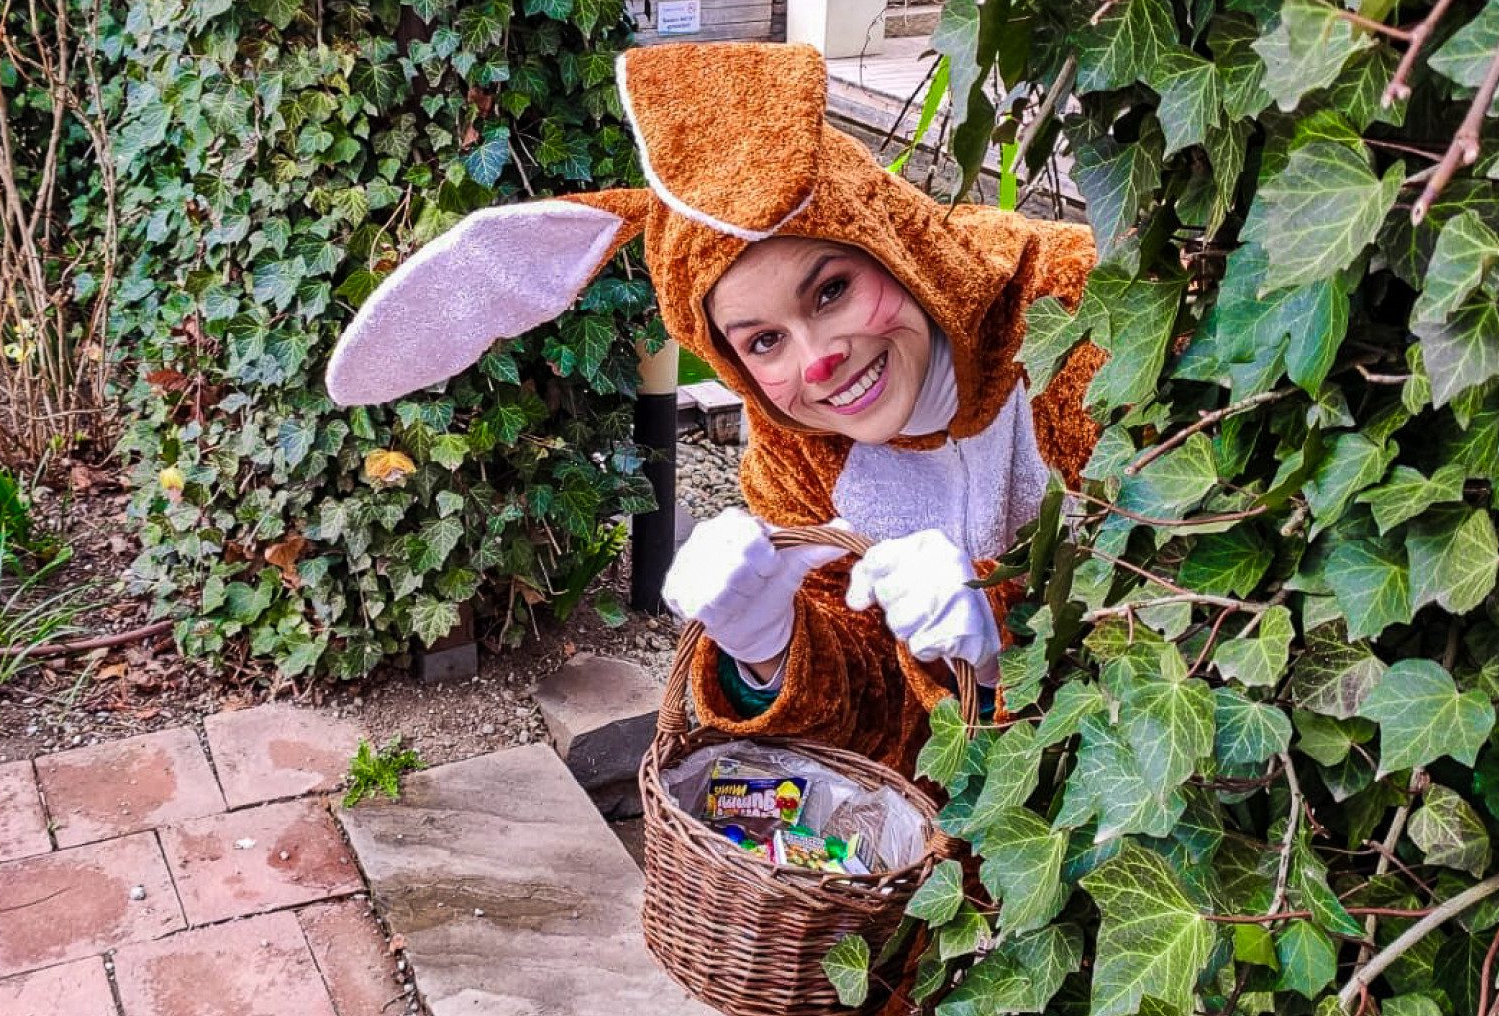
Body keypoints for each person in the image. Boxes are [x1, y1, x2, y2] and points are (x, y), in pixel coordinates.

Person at [325, 40, 1102, 773]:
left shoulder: (1076, 310)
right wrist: (767, 647)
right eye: (763, 342)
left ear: (891, 244)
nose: (817, 359)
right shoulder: (798, 452)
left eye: (831, 291)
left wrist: (1005, 629)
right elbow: (868, 732)